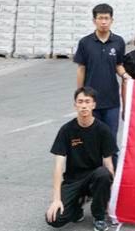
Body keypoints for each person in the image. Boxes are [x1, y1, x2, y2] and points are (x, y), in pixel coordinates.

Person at [46, 87, 116, 231]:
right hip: (73, 180)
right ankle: (77, 208)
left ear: (93, 105)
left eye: (87, 102)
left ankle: (99, 217)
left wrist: (111, 198)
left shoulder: (103, 130)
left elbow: (108, 164)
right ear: (75, 105)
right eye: (80, 102)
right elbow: (58, 166)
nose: (84, 105)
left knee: (103, 174)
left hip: (94, 178)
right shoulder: (66, 130)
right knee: (54, 219)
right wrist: (56, 199)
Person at [74, 3, 128, 145]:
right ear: (94, 20)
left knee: (110, 138)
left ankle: (111, 161)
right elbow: (81, 68)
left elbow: (118, 65)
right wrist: (80, 95)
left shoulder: (119, 41)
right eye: (100, 18)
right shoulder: (85, 42)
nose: (103, 22)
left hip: (112, 101)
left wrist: (125, 75)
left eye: (106, 18)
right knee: (91, 138)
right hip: (91, 100)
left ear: (112, 20)